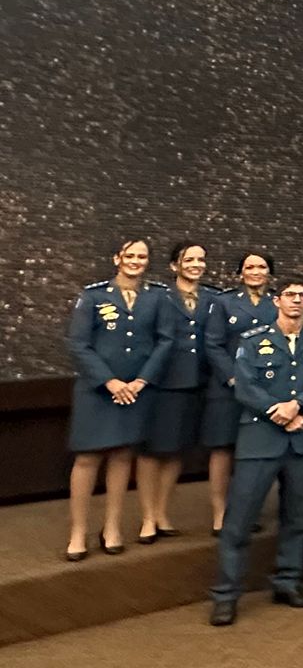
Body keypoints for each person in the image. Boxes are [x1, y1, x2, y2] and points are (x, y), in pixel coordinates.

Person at [208, 276, 303, 625]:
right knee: (239, 521)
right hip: (260, 440)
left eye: (302, 296)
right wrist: (276, 413)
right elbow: (244, 385)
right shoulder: (253, 340)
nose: (296, 300)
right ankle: (226, 595)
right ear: (277, 301)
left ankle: (287, 581)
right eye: (290, 295)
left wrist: (297, 407)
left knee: (298, 518)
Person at [65, 238, 172, 562]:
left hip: (136, 390)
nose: (136, 261)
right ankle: (78, 533)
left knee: (123, 456)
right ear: (117, 258)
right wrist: (110, 381)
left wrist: (140, 381)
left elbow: (165, 341)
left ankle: (111, 528)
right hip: (98, 390)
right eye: (130, 255)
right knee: (87, 459)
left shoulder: (157, 297)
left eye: (142, 256)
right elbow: (78, 344)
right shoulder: (94, 295)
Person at [137, 241, 216, 544]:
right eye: (189, 259)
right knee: (151, 452)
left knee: (176, 450)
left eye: (201, 259)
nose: (196, 264)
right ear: (174, 266)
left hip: (195, 381)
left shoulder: (212, 298)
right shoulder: (158, 296)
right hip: (161, 382)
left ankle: (161, 513)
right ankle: (146, 517)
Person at [202, 250, 278, 534]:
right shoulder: (223, 302)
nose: (255, 271)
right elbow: (212, 344)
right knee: (222, 449)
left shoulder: (277, 304)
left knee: (254, 452)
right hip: (228, 387)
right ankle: (220, 514)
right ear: (240, 273)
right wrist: (233, 377)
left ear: (269, 273)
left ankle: (249, 511)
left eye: (261, 266)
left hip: (265, 391)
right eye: (249, 266)